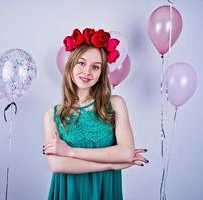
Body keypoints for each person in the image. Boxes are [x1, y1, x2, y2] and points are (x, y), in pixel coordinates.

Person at [43, 28, 148, 200]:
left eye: (95, 67)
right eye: (82, 63)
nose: (87, 72)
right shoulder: (53, 115)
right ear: (71, 65)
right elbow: (57, 165)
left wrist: (70, 152)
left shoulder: (115, 104)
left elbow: (126, 153)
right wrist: (110, 164)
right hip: (69, 193)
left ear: (101, 73)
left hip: (104, 191)